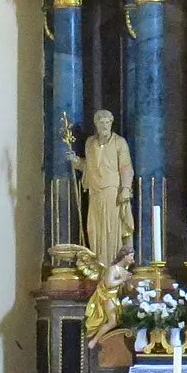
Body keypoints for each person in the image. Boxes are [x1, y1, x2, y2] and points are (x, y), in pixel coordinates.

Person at [67, 110, 134, 268]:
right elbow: (89, 166)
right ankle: (99, 263)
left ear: (111, 123)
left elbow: (125, 167)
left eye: (107, 122)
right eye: (101, 122)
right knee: (94, 228)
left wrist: (125, 188)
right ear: (96, 124)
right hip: (94, 191)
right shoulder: (90, 142)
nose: (104, 125)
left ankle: (112, 264)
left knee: (111, 229)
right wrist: (75, 161)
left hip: (112, 190)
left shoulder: (119, 142)